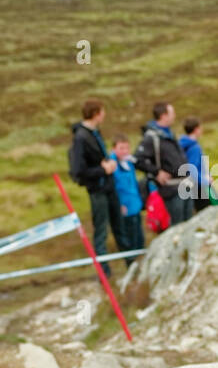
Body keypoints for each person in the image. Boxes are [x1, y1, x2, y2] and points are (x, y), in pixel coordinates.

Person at [68, 98, 123, 276]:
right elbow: (78, 171)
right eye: (102, 112)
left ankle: (130, 263)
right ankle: (104, 273)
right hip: (98, 190)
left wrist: (108, 165)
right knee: (101, 231)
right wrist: (102, 170)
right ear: (95, 114)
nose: (104, 115)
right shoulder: (81, 137)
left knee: (118, 225)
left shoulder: (94, 133)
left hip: (108, 187)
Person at [133, 101, 193, 227]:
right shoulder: (152, 137)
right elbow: (137, 159)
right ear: (163, 115)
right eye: (172, 113)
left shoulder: (168, 134)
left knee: (189, 225)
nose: (174, 116)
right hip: (171, 189)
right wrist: (156, 172)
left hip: (185, 185)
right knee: (177, 227)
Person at [109, 136, 144, 258]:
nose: (125, 151)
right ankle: (131, 261)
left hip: (135, 204)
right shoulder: (112, 165)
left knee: (139, 236)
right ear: (114, 149)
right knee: (129, 238)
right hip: (124, 207)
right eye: (121, 148)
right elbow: (113, 188)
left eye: (127, 148)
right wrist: (119, 204)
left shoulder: (129, 162)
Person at [179, 117, 212, 213]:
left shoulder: (184, 144)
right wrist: (206, 180)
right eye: (200, 128)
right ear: (196, 129)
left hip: (194, 185)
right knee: (206, 213)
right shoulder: (194, 147)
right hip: (200, 187)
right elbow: (192, 170)